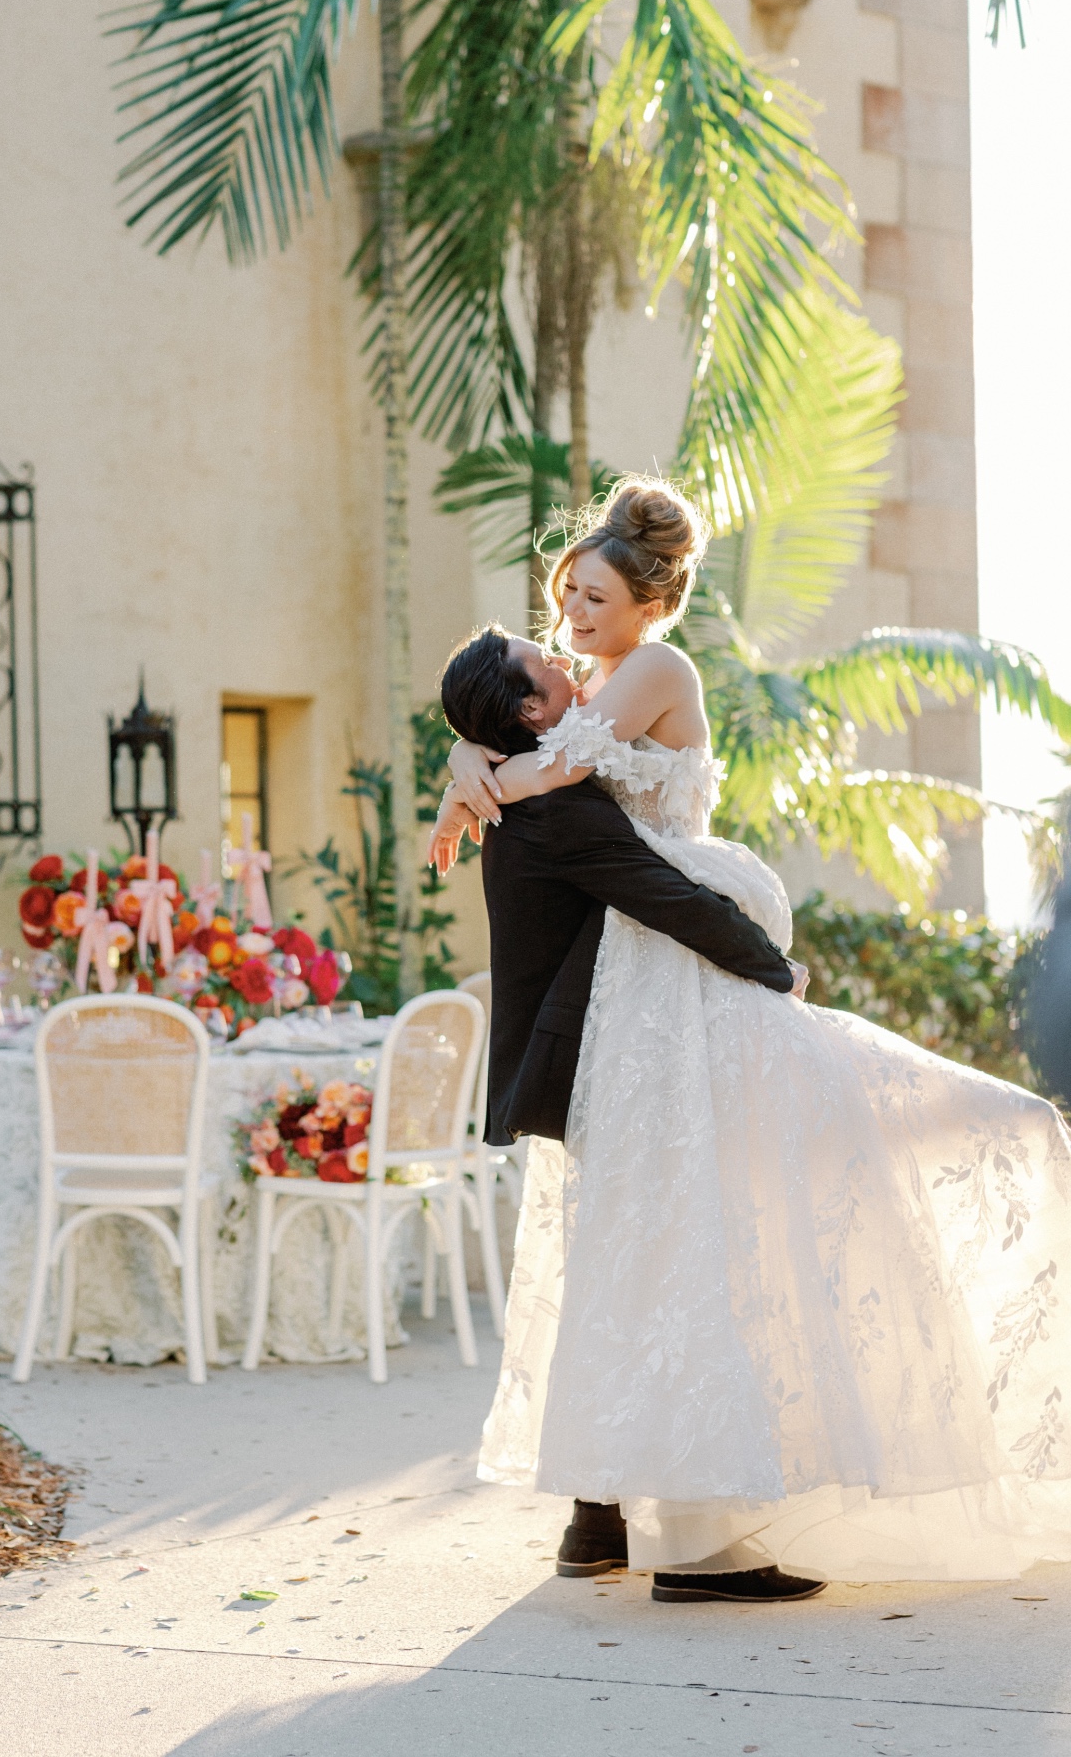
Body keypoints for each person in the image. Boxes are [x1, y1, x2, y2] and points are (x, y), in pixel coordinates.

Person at [433, 474, 1071, 1598]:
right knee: (668, 1231)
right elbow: (548, 754)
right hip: (654, 985)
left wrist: (477, 774)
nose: (570, 616)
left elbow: (555, 761)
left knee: (679, 1223)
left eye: (589, 596)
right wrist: (474, 767)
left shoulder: (651, 672)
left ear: (648, 599)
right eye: (563, 597)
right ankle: (657, 1524)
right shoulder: (591, 687)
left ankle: (612, 1512)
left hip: (668, 980)